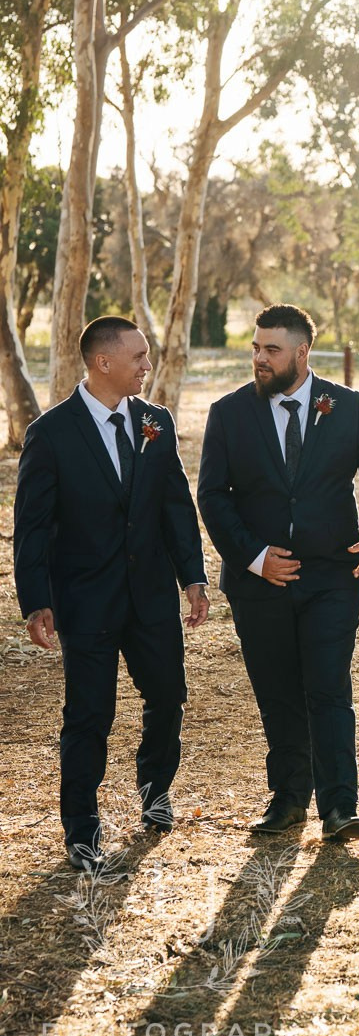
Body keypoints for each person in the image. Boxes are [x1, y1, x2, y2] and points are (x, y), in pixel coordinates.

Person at [197, 303, 359, 843]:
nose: (260, 359)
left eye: (272, 349)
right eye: (256, 348)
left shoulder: (347, 407)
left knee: (328, 688)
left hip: (331, 577)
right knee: (277, 691)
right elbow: (213, 496)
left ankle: (340, 807)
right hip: (257, 582)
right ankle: (289, 800)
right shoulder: (229, 412)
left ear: (302, 352)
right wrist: (253, 556)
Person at [13, 316, 208, 871]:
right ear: (103, 362)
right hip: (86, 601)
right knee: (89, 715)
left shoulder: (155, 422)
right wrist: (37, 600)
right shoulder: (51, 433)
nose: (148, 364)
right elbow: (31, 527)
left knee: (168, 696)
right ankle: (82, 830)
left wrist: (192, 577)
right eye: (138, 356)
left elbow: (175, 506)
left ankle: (155, 791)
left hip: (151, 597)